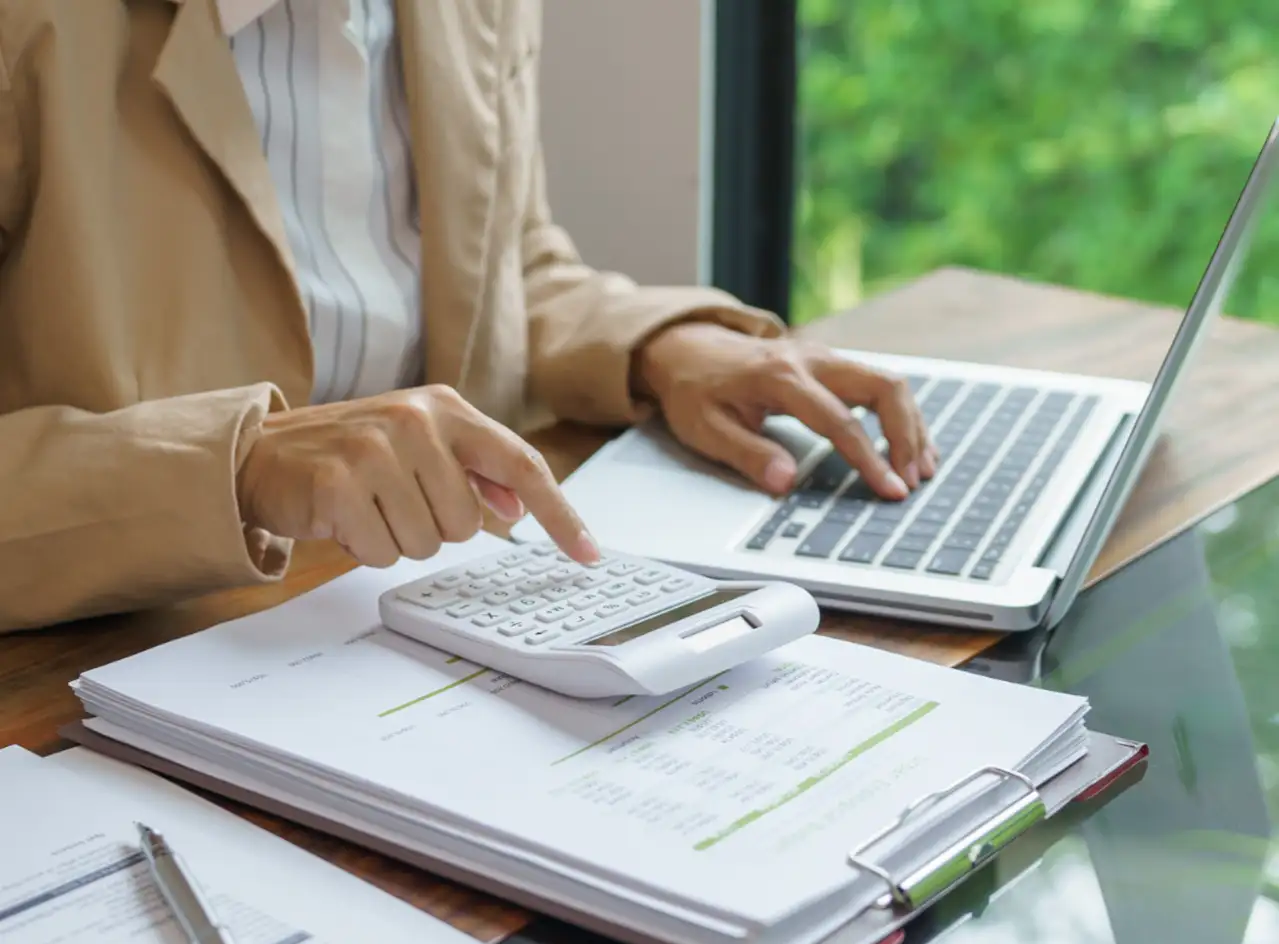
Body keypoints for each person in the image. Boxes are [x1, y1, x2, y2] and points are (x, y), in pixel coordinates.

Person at [0, 0, 935, 634]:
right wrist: (235, 466)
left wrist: (658, 347)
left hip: (431, 619)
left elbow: (504, 265)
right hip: (129, 658)